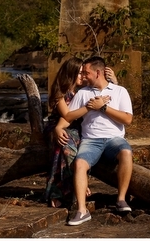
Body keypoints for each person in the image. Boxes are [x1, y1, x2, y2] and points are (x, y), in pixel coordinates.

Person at [58, 56, 133, 226]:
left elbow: (127, 119)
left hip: (114, 139)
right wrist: (58, 128)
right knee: (79, 164)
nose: (83, 76)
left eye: (86, 72)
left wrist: (104, 107)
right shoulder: (83, 93)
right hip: (91, 140)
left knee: (126, 152)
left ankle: (121, 199)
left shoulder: (120, 91)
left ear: (98, 73)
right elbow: (68, 118)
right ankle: (82, 211)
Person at [43, 57, 117, 208]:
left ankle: (75, 185)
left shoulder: (82, 91)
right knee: (65, 147)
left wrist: (113, 81)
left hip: (77, 129)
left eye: (84, 73)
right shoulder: (60, 93)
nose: (83, 77)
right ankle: (67, 190)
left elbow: (105, 90)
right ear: (71, 74)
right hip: (59, 126)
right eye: (80, 74)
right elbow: (67, 115)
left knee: (80, 148)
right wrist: (90, 107)